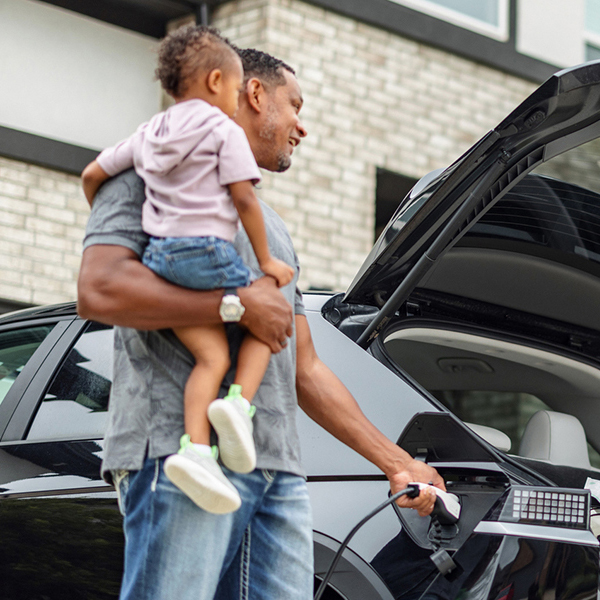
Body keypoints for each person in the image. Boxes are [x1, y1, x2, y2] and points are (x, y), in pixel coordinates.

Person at [77, 44, 444, 600]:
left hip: (277, 472)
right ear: (254, 94)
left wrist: (398, 463)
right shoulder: (150, 171)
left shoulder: (270, 225)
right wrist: (235, 304)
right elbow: (99, 288)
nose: (303, 126)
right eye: (295, 105)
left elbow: (306, 368)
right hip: (176, 455)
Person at [81, 26, 294, 515]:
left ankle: (195, 451)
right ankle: (238, 405)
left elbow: (94, 175)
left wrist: (110, 210)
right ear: (217, 81)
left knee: (210, 356)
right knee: (267, 314)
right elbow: (244, 197)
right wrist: (266, 262)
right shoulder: (222, 130)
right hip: (208, 255)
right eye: (237, 89)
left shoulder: (148, 132)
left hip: (162, 264)